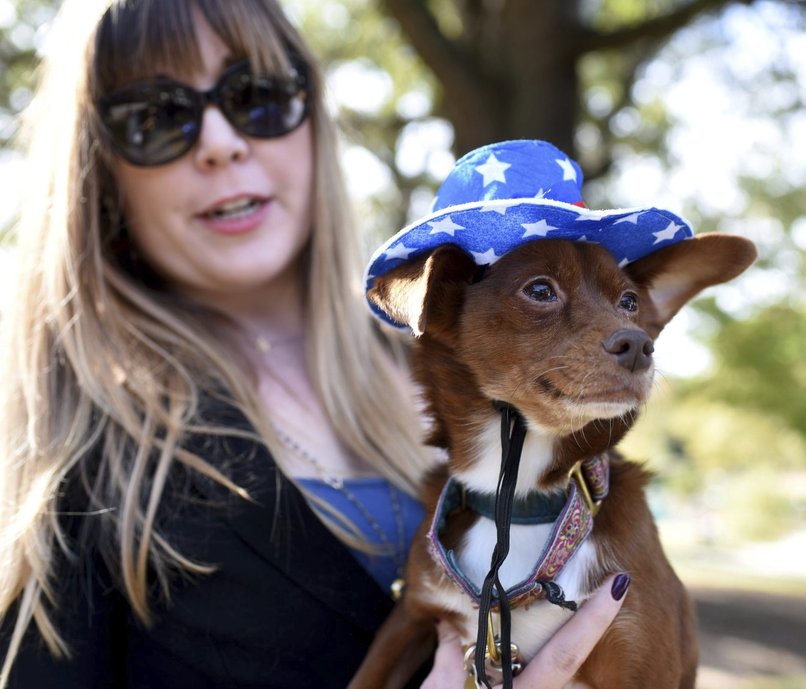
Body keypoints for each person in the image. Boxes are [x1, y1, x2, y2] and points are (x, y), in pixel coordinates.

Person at [0, 1, 628, 687]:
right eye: (156, 116)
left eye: (257, 95)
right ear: (102, 173)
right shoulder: (68, 466)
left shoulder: (476, 371)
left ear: (312, 122)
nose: (220, 141)